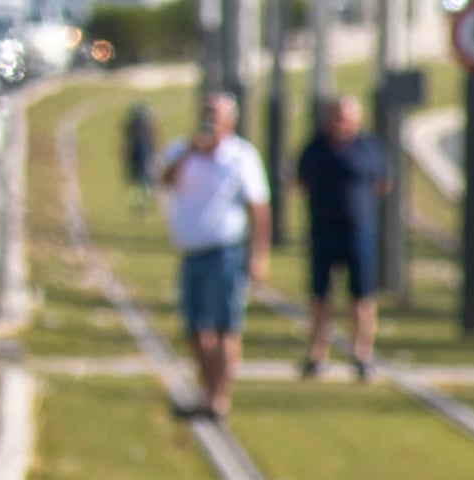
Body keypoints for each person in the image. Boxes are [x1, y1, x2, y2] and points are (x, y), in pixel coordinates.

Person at [153, 86, 275, 419]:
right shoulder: (183, 150)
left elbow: (259, 208)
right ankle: (206, 391)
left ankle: (219, 398)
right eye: (204, 114)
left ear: (229, 121)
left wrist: (259, 254)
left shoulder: (241, 156)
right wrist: (189, 151)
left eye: (214, 115)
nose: (208, 121)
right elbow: (163, 180)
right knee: (195, 329)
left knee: (225, 327)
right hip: (190, 253)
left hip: (225, 252)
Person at [292, 96, 386, 381]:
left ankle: (361, 354)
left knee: (361, 298)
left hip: (357, 232)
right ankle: (316, 355)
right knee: (320, 297)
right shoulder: (314, 148)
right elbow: (301, 181)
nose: (339, 123)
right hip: (322, 231)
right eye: (335, 116)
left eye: (344, 117)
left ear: (356, 120)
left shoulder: (368, 147)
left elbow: (382, 182)